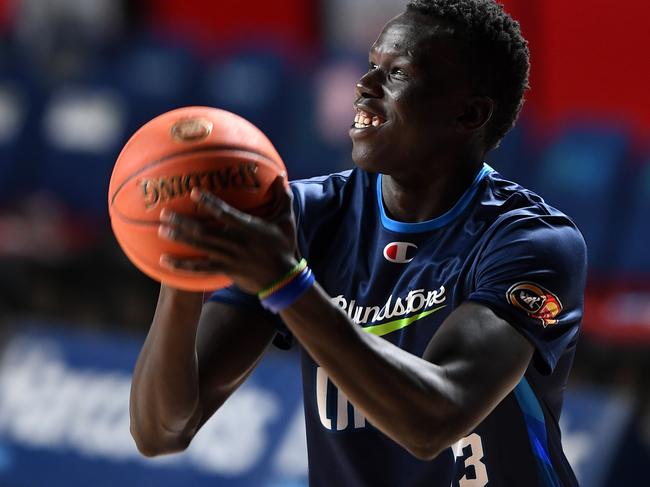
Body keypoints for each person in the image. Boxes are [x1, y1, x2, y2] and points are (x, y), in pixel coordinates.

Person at [129, 1, 586, 486]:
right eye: (372, 66)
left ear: (469, 113)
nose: (365, 86)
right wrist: (180, 269)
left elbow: (436, 419)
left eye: (398, 73)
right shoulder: (304, 217)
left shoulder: (530, 240)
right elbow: (162, 431)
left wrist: (288, 283)